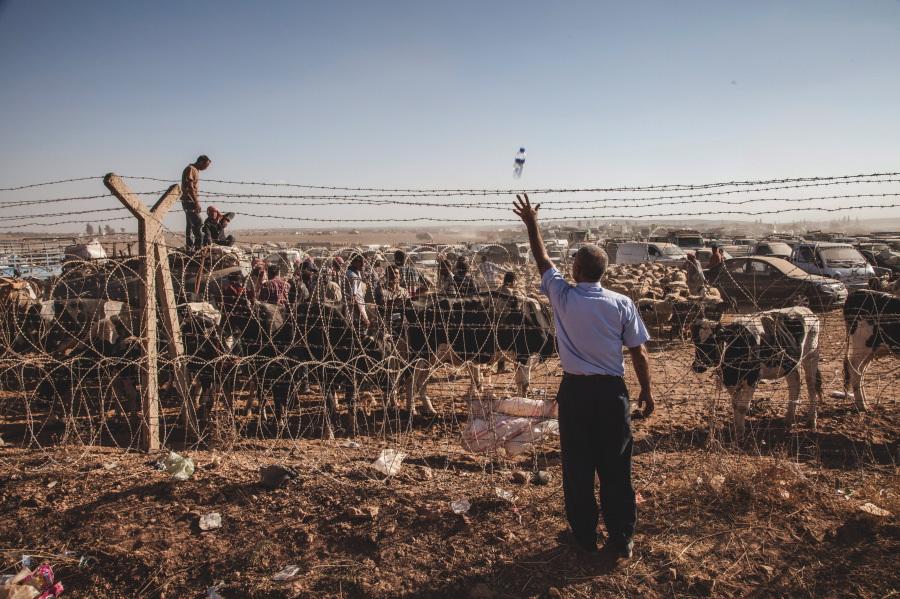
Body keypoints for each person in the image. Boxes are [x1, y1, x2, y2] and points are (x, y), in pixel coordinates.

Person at [513, 193, 654, 558]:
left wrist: (532, 223)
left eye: (572, 261)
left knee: (577, 466)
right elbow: (638, 350)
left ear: (576, 270)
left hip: (575, 393)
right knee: (616, 465)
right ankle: (621, 537)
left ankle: (585, 535)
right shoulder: (622, 303)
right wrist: (646, 392)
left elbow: (543, 259)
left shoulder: (563, 296)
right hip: (612, 393)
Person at [181, 155, 211, 252]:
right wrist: (196, 202)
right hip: (189, 200)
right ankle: (198, 247)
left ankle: (190, 247)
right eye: (206, 165)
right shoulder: (191, 169)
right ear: (201, 162)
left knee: (190, 225)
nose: (206, 168)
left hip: (189, 200)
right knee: (198, 223)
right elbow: (190, 187)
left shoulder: (195, 170)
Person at [343, 254, 370, 329]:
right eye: (362, 262)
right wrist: (362, 317)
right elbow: (353, 298)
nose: (363, 265)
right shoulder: (353, 276)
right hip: (355, 308)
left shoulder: (355, 272)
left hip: (359, 305)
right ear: (355, 263)